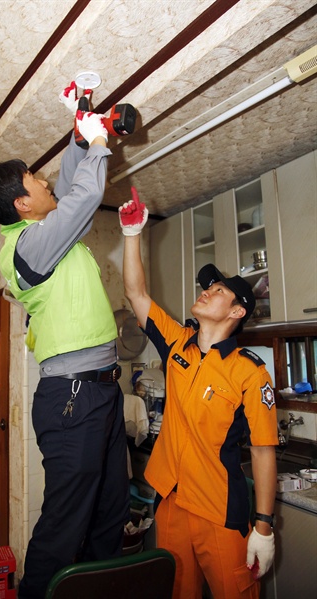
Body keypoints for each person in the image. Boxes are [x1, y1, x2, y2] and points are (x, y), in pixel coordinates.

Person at [0, 82, 130, 599]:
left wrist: (79, 138)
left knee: (109, 514)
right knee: (64, 528)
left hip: (102, 390)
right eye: (34, 181)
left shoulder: (42, 231)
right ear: (22, 205)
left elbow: (67, 188)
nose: (45, 183)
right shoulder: (27, 248)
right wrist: (100, 144)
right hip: (73, 399)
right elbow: (82, 198)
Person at [119, 188, 278, 599]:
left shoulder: (249, 372)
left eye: (219, 290)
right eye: (208, 286)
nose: (207, 290)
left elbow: (262, 450)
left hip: (218, 512)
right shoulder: (178, 344)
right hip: (170, 501)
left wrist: (262, 526)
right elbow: (137, 294)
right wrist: (132, 232)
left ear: (237, 311)